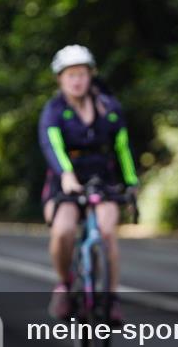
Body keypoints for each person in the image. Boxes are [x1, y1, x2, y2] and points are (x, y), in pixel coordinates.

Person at [38, 44, 139, 324]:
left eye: (82, 74)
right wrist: (67, 176)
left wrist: (131, 181)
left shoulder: (109, 107)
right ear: (60, 78)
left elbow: (122, 147)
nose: (77, 80)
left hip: (102, 180)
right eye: (71, 75)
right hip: (64, 183)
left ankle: (110, 298)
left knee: (107, 233)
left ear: (91, 75)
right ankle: (64, 284)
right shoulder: (54, 110)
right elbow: (51, 145)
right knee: (63, 231)